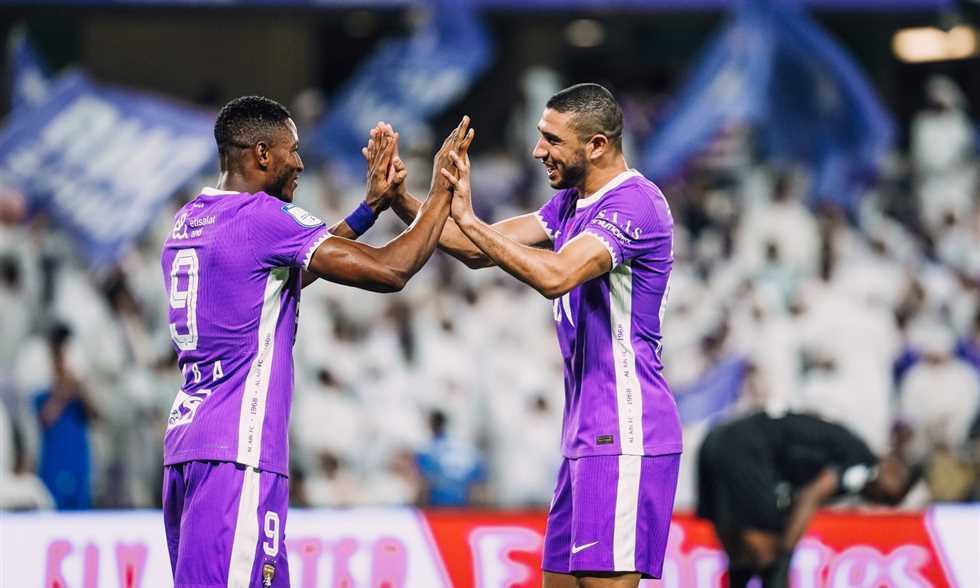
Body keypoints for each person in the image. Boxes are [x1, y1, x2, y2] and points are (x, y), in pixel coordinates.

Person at [160, 95, 473, 587]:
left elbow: (275, 279)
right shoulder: (261, 217)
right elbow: (391, 270)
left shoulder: (191, 220)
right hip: (239, 454)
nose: (300, 163)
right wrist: (440, 192)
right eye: (293, 150)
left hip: (188, 448)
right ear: (263, 154)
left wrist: (367, 211)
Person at [387, 83, 682, 588]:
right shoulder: (571, 203)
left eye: (552, 139)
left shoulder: (636, 204)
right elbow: (476, 249)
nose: (537, 150)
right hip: (586, 431)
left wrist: (469, 219)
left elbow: (556, 276)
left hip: (626, 428)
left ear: (597, 145)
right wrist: (403, 199)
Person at [697, 412, 911, 588]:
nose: (878, 503)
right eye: (886, 499)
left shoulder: (846, 445)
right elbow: (811, 496)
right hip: (747, 447)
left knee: (741, 553)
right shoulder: (862, 467)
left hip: (716, 439)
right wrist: (785, 554)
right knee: (768, 552)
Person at [33, 322, 98, 510]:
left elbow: (96, 416)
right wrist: (63, 391)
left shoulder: (79, 388)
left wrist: (80, 390)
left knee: (81, 509)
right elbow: (45, 419)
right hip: (54, 459)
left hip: (78, 458)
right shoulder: (41, 383)